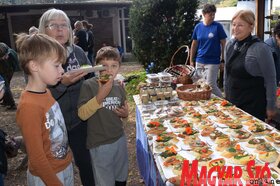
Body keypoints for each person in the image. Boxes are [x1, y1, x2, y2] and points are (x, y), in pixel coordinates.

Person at [38, 8, 95, 186]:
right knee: (56, 167)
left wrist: (106, 82)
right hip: (52, 125)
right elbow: (37, 95)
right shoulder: (37, 57)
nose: (60, 29)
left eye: (64, 25)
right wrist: (64, 84)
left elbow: (90, 78)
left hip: (79, 120)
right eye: (54, 25)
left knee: (86, 163)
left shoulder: (77, 52)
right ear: (43, 29)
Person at [15, 33, 73, 186]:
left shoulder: (46, 93)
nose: (62, 70)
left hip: (63, 167)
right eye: (56, 65)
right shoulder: (29, 107)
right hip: (46, 177)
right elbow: (37, 158)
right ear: (34, 66)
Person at [78, 46, 129, 186]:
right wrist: (100, 97)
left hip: (119, 138)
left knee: (121, 177)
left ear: (119, 67)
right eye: (104, 66)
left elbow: (125, 110)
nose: (109, 70)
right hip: (100, 143)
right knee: (105, 181)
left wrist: (125, 114)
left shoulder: (118, 85)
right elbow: (82, 114)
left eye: (114, 65)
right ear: (96, 67)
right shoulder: (89, 85)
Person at [224, 10, 276, 121]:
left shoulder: (261, 49)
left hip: (253, 107)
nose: (235, 28)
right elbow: (226, 73)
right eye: (234, 24)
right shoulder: (230, 45)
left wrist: (271, 107)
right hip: (233, 103)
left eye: (240, 25)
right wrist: (226, 96)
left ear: (251, 26)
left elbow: (270, 79)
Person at [190, 4, 227, 98]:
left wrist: (223, 60)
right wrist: (191, 60)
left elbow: (224, 44)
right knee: (199, 84)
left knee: (210, 85)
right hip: (199, 60)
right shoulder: (198, 27)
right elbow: (194, 44)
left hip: (213, 61)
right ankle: (204, 103)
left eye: (214, 14)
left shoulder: (217, 27)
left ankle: (225, 101)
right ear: (204, 14)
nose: (213, 17)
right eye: (210, 14)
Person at [0, 42, 19, 110]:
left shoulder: (10, 53)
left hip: (7, 72)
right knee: (5, 86)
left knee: (6, 87)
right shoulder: (4, 49)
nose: (3, 58)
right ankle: (6, 101)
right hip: (5, 71)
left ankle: (12, 104)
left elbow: (16, 63)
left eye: (4, 56)